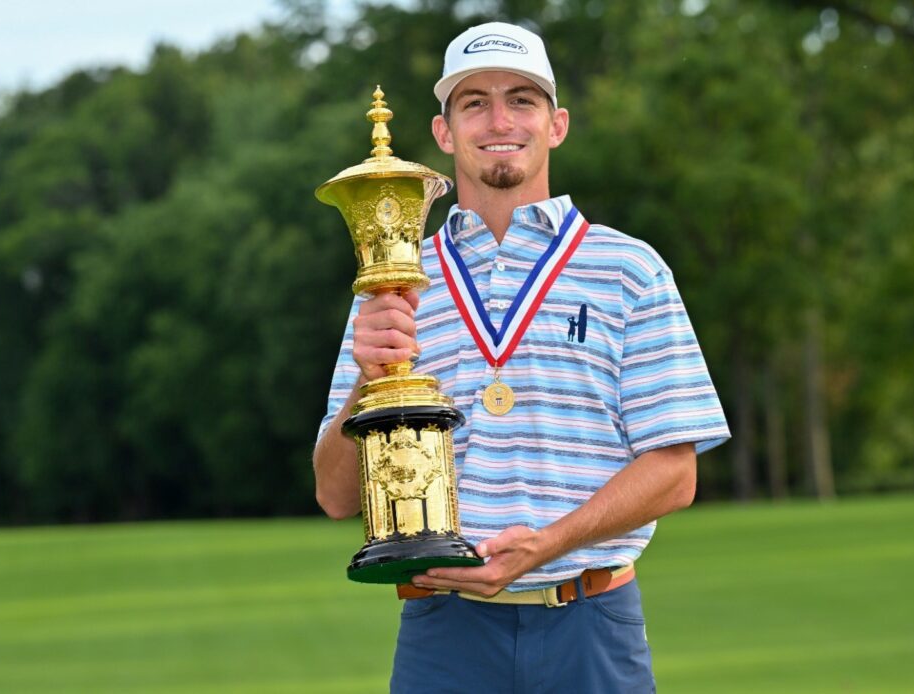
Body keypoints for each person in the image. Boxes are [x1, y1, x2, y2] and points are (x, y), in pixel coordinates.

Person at [313, 21, 730, 693]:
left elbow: (675, 473)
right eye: (473, 102)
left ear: (556, 124)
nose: (499, 119)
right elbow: (335, 494)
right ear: (444, 132)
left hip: (591, 623)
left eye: (522, 99)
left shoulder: (629, 269)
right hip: (444, 634)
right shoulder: (394, 285)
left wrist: (548, 543)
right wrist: (368, 378)